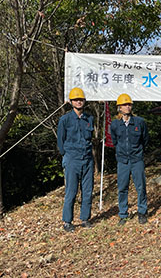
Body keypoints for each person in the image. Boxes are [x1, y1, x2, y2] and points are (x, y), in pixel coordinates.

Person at [57, 87, 94, 232]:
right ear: (71, 102)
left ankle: (85, 219)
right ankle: (67, 221)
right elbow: (61, 141)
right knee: (71, 191)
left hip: (87, 159)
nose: (79, 102)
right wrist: (66, 156)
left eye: (81, 99)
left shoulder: (89, 118)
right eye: (76, 100)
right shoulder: (65, 119)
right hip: (72, 159)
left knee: (87, 190)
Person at [110, 93, 149, 225]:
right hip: (122, 161)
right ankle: (123, 214)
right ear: (119, 107)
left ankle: (142, 212)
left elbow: (145, 140)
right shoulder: (115, 124)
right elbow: (115, 141)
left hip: (137, 159)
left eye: (129, 104)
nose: (127, 107)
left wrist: (138, 152)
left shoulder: (139, 122)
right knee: (122, 188)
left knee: (141, 187)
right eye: (124, 105)